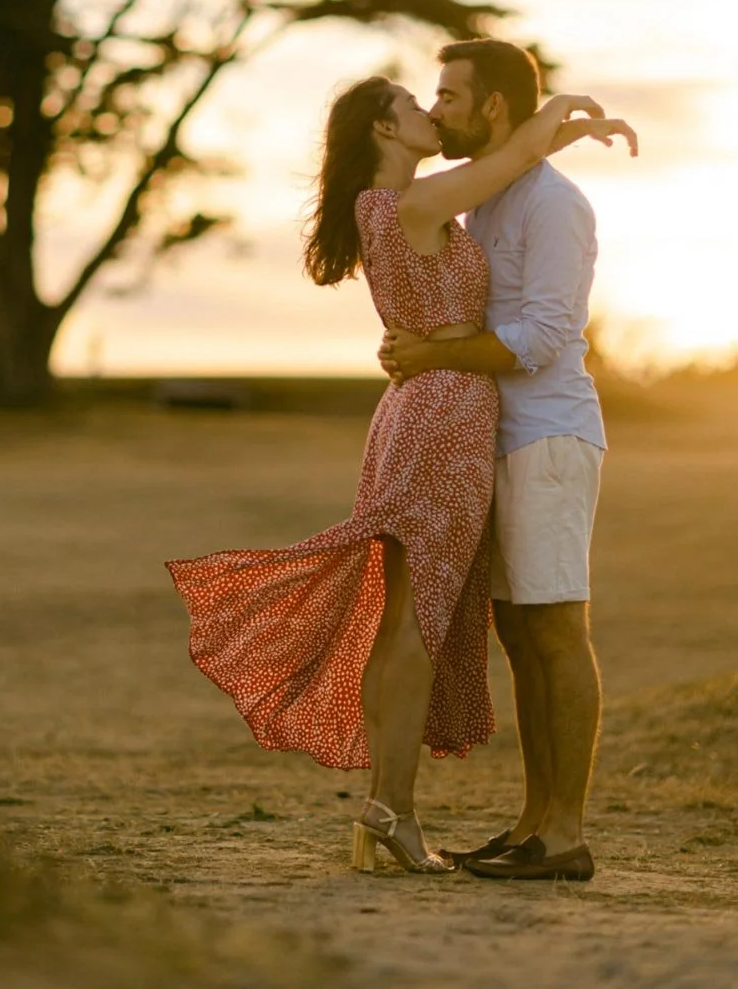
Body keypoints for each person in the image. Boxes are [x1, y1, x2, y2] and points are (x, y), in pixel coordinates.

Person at [167, 71, 634, 876]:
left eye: (443, 95)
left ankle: (392, 812)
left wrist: (551, 131)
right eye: (416, 105)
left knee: (408, 619)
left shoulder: (410, 204)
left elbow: (511, 158)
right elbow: (512, 150)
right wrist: (562, 111)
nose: (429, 109)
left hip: (430, 412)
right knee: (416, 621)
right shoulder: (413, 206)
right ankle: (394, 814)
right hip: (444, 417)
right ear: (384, 130)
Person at [380, 39, 636, 882]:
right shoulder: (488, 199)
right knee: (520, 633)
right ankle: (533, 822)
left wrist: (438, 353)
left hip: (550, 435)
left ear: (494, 106)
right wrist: (435, 343)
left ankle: (565, 832)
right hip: (497, 433)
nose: (439, 107)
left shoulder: (555, 205)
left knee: (558, 628)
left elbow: (547, 335)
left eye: (450, 95)